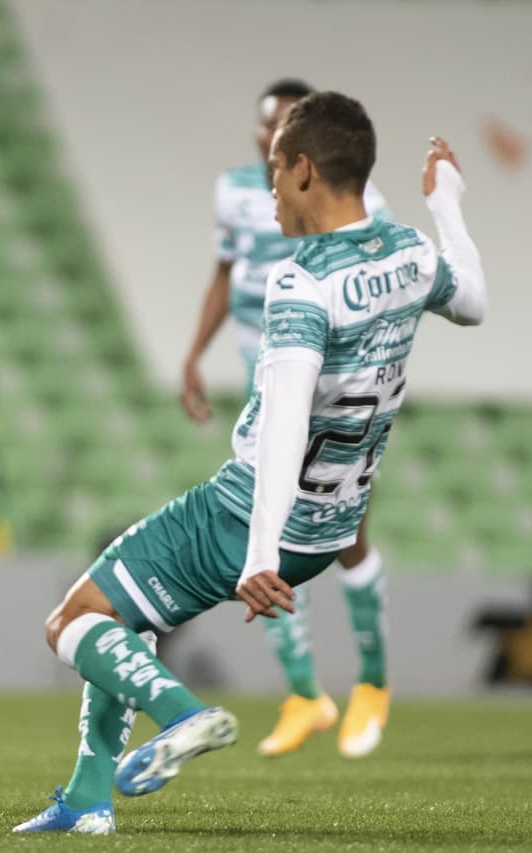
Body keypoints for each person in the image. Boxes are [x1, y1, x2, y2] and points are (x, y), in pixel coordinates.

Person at [14, 92, 485, 834]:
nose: (268, 190)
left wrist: (258, 554)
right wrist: (447, 201)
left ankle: (184, 716)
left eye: (274, 171)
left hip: (251, 517)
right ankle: (87, 799)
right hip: (333, 526)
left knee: (72, 621)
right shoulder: (408, 251)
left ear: (303, 171)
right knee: (125, 615)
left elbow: (284, 427)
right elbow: (475, 301)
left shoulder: (303, 283)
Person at [180, 78, 396, 759]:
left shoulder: (360, 203)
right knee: (260, 533)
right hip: (262, 394)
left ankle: (373, 684)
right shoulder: (236, 191)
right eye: (265, 128)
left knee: (348, 536)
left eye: (284, 129)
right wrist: (192, 354)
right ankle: (305, 691)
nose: (271, 140)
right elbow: (225, 272)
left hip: (332, 399)